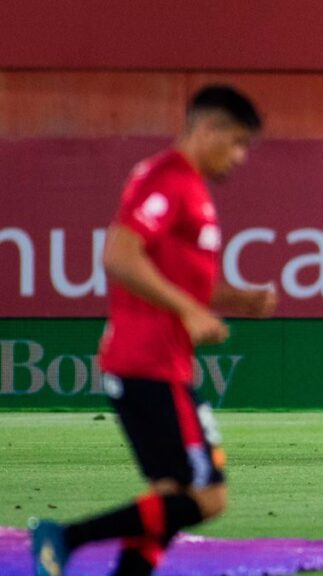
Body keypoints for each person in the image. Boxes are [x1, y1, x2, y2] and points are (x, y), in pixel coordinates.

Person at [31, 85, 274, 576]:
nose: (241, 157)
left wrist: (238, 300)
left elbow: (181, 280)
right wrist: (189, 310)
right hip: (150, 364)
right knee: (208, 496)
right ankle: (65, 537)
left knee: (169, 495)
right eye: (238, 142)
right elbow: (120, 255)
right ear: (210, 129)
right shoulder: (168, 179)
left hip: (152, 363)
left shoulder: (191, 189)